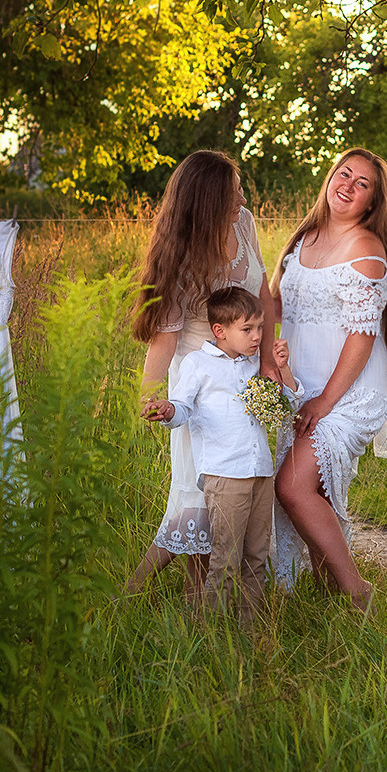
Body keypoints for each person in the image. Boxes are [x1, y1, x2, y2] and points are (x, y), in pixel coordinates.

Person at [267, 149, 387, 612]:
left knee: (291, 486)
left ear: (372, 202)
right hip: (298, 386)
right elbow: (274, 303)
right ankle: (328, 592)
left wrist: (324, 402)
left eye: (362, 183)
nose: (347, 185)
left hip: (347, 393)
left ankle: (357, 592)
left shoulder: (365, 249)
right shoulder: (303, 238)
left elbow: (361, 338)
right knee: (310, 490)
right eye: (343, 174)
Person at [122, 150, 266, 598]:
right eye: (234, 188)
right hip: (201, 383)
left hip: (247, 373)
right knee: (197, 491)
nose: (242, 195)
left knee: (242, 481)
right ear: (208, 200)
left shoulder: (243, 222)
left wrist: (272, 367)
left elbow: (261, 296)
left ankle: (199, 592)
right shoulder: (180, 259)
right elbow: (163, 340)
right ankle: (133, 589)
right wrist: (148, 399)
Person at [141, 286, 305, 621]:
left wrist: (282, 368)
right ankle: (213, 633)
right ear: (220, 331)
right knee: (226, 559)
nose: (258, 336)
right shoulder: (198, 364)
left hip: (259, 473)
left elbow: (289, 407)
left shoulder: (254, 366)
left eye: (260, 327)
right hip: (225, 475)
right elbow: (184, 407)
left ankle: (250, 630)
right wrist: (168, 409)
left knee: (256, 557)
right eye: (248, 329)